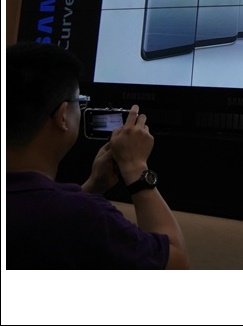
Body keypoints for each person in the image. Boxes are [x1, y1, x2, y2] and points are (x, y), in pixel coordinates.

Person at [5, 41, 190, 269]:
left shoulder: (66, 211)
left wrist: (92, 187)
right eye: (80, 101)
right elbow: (177, 265)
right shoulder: (86, 216)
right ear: (63, 116)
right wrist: (135, 167)